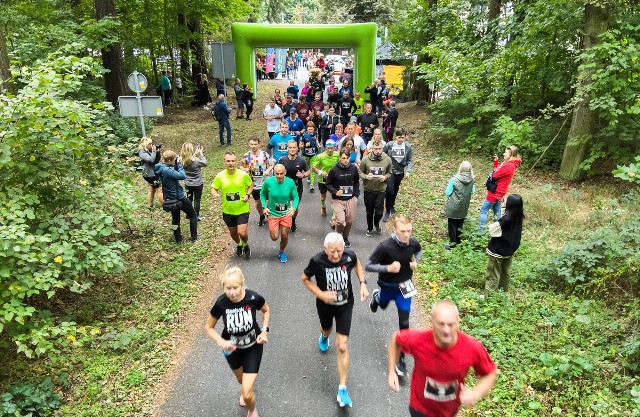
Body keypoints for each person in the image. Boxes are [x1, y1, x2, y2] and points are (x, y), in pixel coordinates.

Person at [387, 301, 497, 417]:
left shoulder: (472, 347)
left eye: (451, 324)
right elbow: (396, 340)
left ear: (458, 323)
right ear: (432, 322)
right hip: (419, 408)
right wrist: (391, 372)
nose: (446, 330)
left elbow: (490, 373)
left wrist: (475, 394)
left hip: (449, 412)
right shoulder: (419, 340)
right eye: (441, 324)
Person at [301, 232, 369, 408]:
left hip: (345, 304)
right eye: (332, 252)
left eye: (339, 251)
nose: (337, 255)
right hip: (325, 305)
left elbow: (357, 264)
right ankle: (324, 336)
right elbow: (305, 279)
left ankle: (342, 388)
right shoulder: (316, 261)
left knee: (342, 345)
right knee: (326, 329)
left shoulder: (349, 256)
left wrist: (362, 283)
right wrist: (321, 294)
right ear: (325, 250)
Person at [205, 267, 270, 417]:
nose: (232, 292)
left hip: (253, 346)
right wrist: (221, 342)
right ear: (223, 288)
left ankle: (252, 410)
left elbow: (266, 310)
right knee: (240, 379)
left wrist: (265, 331)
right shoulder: (221, 303)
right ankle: (245, 390)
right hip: (231, 349)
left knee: (247, 393)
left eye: (235, 288)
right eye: (228, 288)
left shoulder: (253, 298)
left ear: (242, 285)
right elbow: (208, 327)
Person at [367, 214, 423, 376]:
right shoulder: (385, 246)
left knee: (404, 322)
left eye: (409, 231)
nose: (407, 235)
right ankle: (377, 298)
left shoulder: (412, 243)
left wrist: (416, 263)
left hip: (404, 289)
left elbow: (419, 251)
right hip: (387, 287)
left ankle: (402, 359)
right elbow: (369, 265)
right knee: (382, 304)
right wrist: (387, 269)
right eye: (403, 231)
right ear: (394, 229)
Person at [211, 152, 254, 259]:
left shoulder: (243, 174)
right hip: (228, 210)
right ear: (224, 162)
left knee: (242, 232)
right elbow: (213, 188)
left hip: (242, 208)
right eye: (228, 161)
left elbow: (251, 185)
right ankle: (239, 245)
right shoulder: (220, 176)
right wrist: (215, 193)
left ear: (236, 161)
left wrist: (247, 195)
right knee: (233, 233)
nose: (231, 163)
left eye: (233, 161)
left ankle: (245, 245)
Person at [154, 150, 199, 243]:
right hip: (179, 197)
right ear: (170, 160)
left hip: (170, 198)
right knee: (193, 215)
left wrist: (175, 163)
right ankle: (194, 237)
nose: (176, 160)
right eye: (174, 159)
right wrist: (179, 165)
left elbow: (172, 171)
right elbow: (182, 176)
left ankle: (178, 240)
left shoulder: (162, 167)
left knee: (175, 219)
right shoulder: (167, 170)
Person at [485, 194, 524, 293]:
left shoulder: (505, 220)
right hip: (509, 249)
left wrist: (495, 223)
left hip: (498, 249)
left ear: (509, 205)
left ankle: (489, 294)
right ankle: (503, 291)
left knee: (493, 272)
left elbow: (493, 230)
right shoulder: (518, 217)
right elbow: (507, 214)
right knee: (505, 272)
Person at [260, 164, 299, 263]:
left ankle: (281, 251)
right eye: (277, 173)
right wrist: (264, 207)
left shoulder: (290, 182)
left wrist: (293, 208)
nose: (279, 176)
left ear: (285, 172)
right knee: (274, 237)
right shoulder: (268, 182)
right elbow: (262, 194)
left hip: (285, 213)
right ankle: (275, 230)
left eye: (281, 173)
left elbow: (296, 197)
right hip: (273, 213)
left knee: (285, 234)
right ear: (274, 172)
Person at [479, 146, 522, 229]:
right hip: (500, 192)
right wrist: (496, 163)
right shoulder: (509, 164)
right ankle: (499, 230)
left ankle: (480, 231)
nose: (504, 154)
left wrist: (496, 169)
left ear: (511, 155)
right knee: (496, 212)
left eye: (506, 153)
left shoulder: (509, 165)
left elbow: (494, 175)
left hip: (495, 192)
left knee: (483, 211)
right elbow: (497, 172)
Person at [325, 150, 360, 248]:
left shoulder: (353, 168)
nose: (345, 160)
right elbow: (328, 184)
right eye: (343, 158)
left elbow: (357, 181)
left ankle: (345, 237)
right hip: (338, 199)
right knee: (340, 221)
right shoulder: (334, 170)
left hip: (350, 199)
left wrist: (356, 195)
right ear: (340, 158)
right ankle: (338, 235)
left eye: (347, 158)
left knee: (349, 221)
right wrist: (335, 192)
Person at [360, 139, 392, 236]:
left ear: (382, 148)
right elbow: (360, 172)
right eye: (375, 148)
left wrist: (385, 177)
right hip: (368, 189)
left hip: (380, 189)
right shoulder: (365, 160)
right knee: (369, 211)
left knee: (379, 212)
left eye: (379, 148)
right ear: (372, 148)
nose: (377, 150)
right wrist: (366, 177)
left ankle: (377, 224)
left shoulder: (387, 159)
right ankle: (370, 228)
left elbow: (389, 173)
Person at [240, 136, 274, 226]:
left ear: (259, 144)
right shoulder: (246, 155)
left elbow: (271, 164)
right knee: (258, 202)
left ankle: (270, 215)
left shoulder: (264, 154)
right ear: (249, 144)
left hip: (265, 182)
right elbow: (241, 166)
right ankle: (261, 215)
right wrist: (245, 169)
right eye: (251, 144)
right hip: (253, 184)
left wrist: (268, 170)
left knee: (268, 200)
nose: (253, 146)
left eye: (255, 144)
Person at [278, 140, 310, 233]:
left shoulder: (301, 160)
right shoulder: (282, 160)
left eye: (294, 147)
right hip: (284, 188)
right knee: (284, 204)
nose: (292, 149)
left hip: (297, 188)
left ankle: (293, 221)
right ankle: (284, 221)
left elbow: (308, 171)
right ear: (287, 148)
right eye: (290, 147)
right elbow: (277, 172)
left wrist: (303, 175)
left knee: (294, 207)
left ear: (297, 148)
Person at [382, 128, 413, 222]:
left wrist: (408, 171)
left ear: (405, 137)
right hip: (390, 171)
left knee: (395, 190)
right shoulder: (390, 144)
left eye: (403, 137)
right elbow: (383, 153)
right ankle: (387, 210)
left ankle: (392, 206)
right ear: (396, 136)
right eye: (399, 137)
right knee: (389, 190)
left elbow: (410, 160)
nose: (401, 139)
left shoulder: (407, 146)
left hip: (400, 172)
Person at [443, 161, 475, 249]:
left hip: (453, 205)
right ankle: (459, 242)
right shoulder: (472, 179)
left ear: (460, 168)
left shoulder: (454, 179)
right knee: (460, 224)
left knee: (452, 225)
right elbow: (472, 191)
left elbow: (447, 192)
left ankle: (452, 244)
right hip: (464, 206)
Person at [311, 139, 340, 218]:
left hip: (333, 180)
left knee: (334, 197)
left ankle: (334, 216)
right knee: (323, 197)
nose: (330, 150)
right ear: (325, 148)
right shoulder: (320, 156)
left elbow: (340, 164)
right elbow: (313, 167)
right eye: (328, 148)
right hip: (323, 180)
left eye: (331, 148)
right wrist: (320, 172)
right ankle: (323, 207)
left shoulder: (337, 155)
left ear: (334, 147)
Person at [180, 142, 208, 221]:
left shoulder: (182, 160)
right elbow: (205, 163)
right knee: (197, 200)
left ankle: (188, 214)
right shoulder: (196, 160)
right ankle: (196, 216)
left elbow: (190, 159)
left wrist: (195, 153)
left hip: (187, 183)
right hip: (197, 184)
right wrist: (201, 153)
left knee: (189, 199)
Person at [137, 137, 164, 209]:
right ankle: (166, 207)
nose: (151, 145)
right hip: (149, 174)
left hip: (152, 173)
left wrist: (157, 152)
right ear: (145, 144)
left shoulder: (149, 151)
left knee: (152, 189)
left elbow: (156, 161)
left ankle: (149, 206)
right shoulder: (141, 152)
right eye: (150, 144)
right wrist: (154, 151)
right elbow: (150, 160)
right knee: (159, 189)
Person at [301, 122, 319, 193]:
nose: (310, 130)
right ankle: (308, 176)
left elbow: (317, 140)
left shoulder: (315, 133)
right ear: (307, 129)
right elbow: (301, 145)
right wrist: (305, 145)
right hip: (306, 154)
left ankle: (311, 185)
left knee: (313, 168)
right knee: (308, 168)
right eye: (309, 129)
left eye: (311, 129)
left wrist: (317, 144)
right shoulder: (304, 135)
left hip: (314, 154)